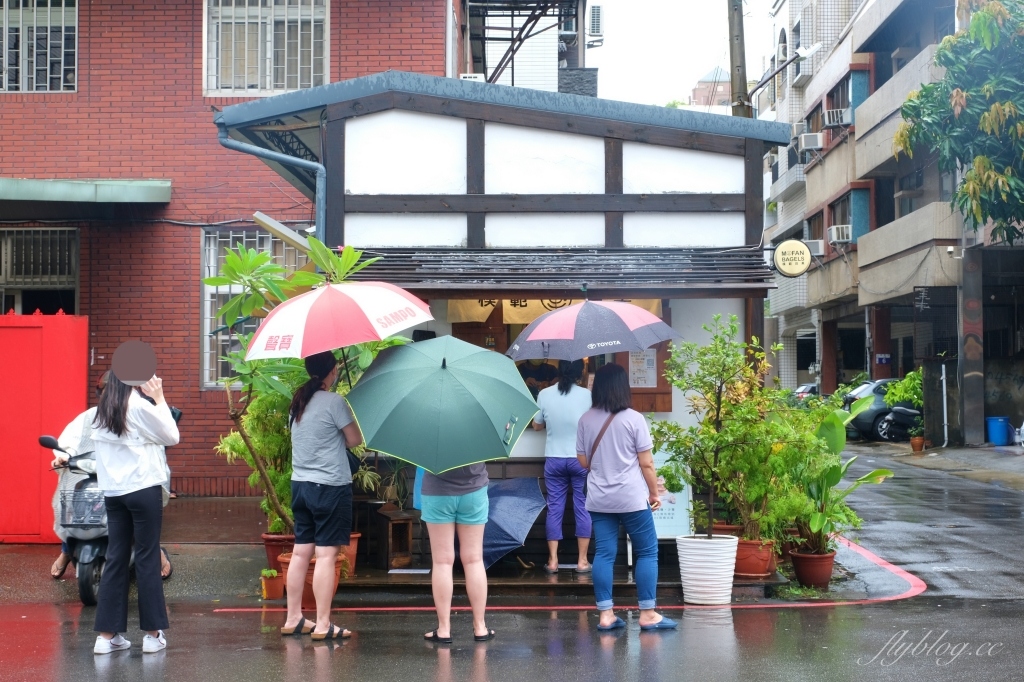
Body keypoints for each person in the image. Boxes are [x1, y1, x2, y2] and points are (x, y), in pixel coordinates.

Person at [576, 364, 676, 632]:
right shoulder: (634, 419)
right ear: (623, 387)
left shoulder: (585, 419)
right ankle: (647, 614)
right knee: (647, 551)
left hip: (599, 498)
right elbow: (647, 464)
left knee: (605, 554)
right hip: (631, 498)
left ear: (597, 388)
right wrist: (654, 493)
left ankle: (606, 615)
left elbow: (583, 461)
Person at [50, 372, 173, 581]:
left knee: (140, 523)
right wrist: (62, 456)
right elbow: (70, 438)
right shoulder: (91, 416)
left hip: (130, 482)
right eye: (106, 391)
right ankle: (66, 549)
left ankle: (157, 552)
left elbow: (163, 442)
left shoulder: (139, 411)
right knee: (73, 508)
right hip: (96, 475)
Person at [91, 372, 180, 654]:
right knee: (146, 556)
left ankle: (106, 638)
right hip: (143, 490)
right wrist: (160, 398)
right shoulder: (140, 407)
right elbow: (172, 436)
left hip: (114, 493)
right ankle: (153, 636)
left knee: (115, 557)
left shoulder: (101, 413)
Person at [280, 351, 363, 641]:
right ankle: (324, 623)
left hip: (300, 485)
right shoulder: (335, 402)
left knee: (301, 552)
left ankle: (293, 618)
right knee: (326, 556)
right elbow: (354, 440)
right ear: (333, 370)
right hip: (329, 486)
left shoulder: (298, 402)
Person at [421, 463, 494, 644]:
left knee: (442, 562)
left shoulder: (428, 431)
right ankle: (480, 627)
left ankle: (444, 629)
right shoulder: (481, 432)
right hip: (474, 490)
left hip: (437, 491)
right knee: (474, 559)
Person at [532, 359, 593, 574]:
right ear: (579, 372)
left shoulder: (545, 394)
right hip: (581, 459)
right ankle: (582, 561)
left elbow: (537, 426)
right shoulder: (587, 395)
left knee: (554, 508)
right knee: (583, 507)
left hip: (554, 459)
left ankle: (553, 561)